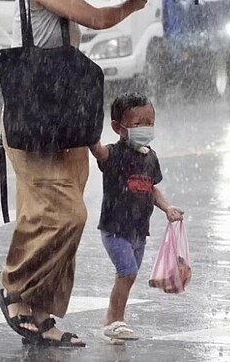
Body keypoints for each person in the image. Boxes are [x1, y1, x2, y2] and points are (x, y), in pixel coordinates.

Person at [0, 0, 148, 348]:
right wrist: (130, 6)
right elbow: (95, 19)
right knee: (64, 214)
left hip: (59, 122)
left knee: (63, 215)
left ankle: (42, 314)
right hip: (35, 123)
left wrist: (92, 141)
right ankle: (14, 288)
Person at [89, 92, 184, 342]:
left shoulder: (150, 157)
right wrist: (88, 131)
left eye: (150, 123)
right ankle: (117, 321)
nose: (146, 128)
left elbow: (152, 188)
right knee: (127, 271)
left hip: (139, 232)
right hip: (115, 229)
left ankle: (111, 319)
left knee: (127, 277)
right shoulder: (115, 153)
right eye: (138, 124)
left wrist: (167, 208)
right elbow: (99, 152)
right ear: (117, 128)